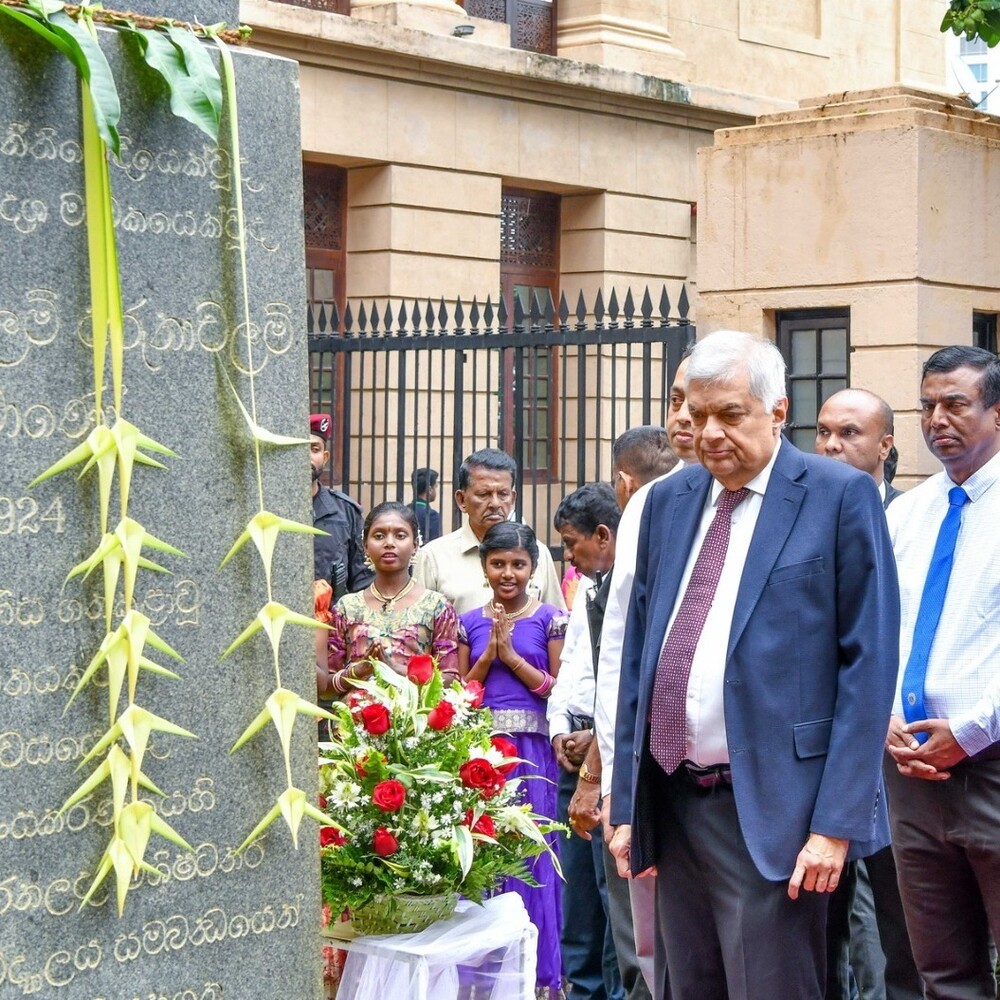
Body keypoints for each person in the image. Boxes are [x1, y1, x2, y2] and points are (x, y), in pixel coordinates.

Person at [609, 330, 899, 1000]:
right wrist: (628, 803)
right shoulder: (668, 503)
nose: (708, 432)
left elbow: (868, 667)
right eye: (697, 413)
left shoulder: (836, 496)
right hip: (674, 804)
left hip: (778, 815)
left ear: (777, 411)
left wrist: (834, 827)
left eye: (730, 414)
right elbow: (638, 663)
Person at [884, 345, 1000, 1000]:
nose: (937, 420)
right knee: (943, 975)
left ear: (998, 413)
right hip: (912, 777)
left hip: (992, 765)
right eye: (927, 406)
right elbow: (875, 631)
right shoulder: (906, 513)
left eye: (955, 404)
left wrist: (972, 730)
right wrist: (884, 720)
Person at [594, 355, 696, 999]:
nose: (685, 416)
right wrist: (615, 781)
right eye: (676, 400)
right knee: (655, 952)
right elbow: (620, 653)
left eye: (702, 401)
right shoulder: (654, 504)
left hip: (756, 780)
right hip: (660, 768)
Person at [815, 388, 921, 1000]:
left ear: (885, 446)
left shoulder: (914, 518)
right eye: (824, 432)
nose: (832, 445)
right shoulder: (799, 519)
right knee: (820, 922)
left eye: (849, 433)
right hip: (818, 749)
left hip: (896, 744)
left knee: (902, 919)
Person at [458, 521, 567, 1000]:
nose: (508, 573)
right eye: (498, 563)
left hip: (533, 754)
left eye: (518, 564)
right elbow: (462, 695)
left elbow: (558, 690)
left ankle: (540, 976)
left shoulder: (549, 619)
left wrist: (514, 658)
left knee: (532, 854)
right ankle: (484, 977)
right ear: (484, 567)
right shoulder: (467, 621)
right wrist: (490, 655)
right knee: (485, 853)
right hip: (482, 755)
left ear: (533, 568)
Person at [549, 483, 626, 1000]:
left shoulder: (625, 588)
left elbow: (618, 682)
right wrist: (559, 729)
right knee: (577, 891)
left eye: (572, 543)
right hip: (572, 749)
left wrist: (594, 741)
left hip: (605, 755)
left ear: (602, 535)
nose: (568, 556)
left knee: (609, 892)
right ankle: (582, 989)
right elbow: (572, 666)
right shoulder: (588, 589)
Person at [320, 502, 459, 702]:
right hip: (354, 719)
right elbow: (325, 687)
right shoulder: (346, 608)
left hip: (416, 719)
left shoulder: (437, 606)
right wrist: (357, 672)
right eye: (379, 536)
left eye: (400, 536)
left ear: (415, 545)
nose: (389, 543)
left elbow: (450, 681)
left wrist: (396, 670)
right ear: (365, 546)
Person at [413, 448, 563, 614]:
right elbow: (419, 624)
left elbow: (557, 622)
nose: (495, 504)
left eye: (503, 494)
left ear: (513, 498)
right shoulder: (433, 557)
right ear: (461, 500)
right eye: (484, 494)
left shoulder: (538, 552)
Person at [310, 413, 372, 597]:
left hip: (333, 613)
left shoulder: (345, 512)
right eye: (300, 448)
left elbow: (363, 578)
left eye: (314, 449)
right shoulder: (267, 509)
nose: (307, 456)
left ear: (325, 457)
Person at [407, 466, 442, 542]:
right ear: (430, 489)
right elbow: (435, 544)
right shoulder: (432, 515)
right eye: (435, 487)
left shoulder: (403, 511)